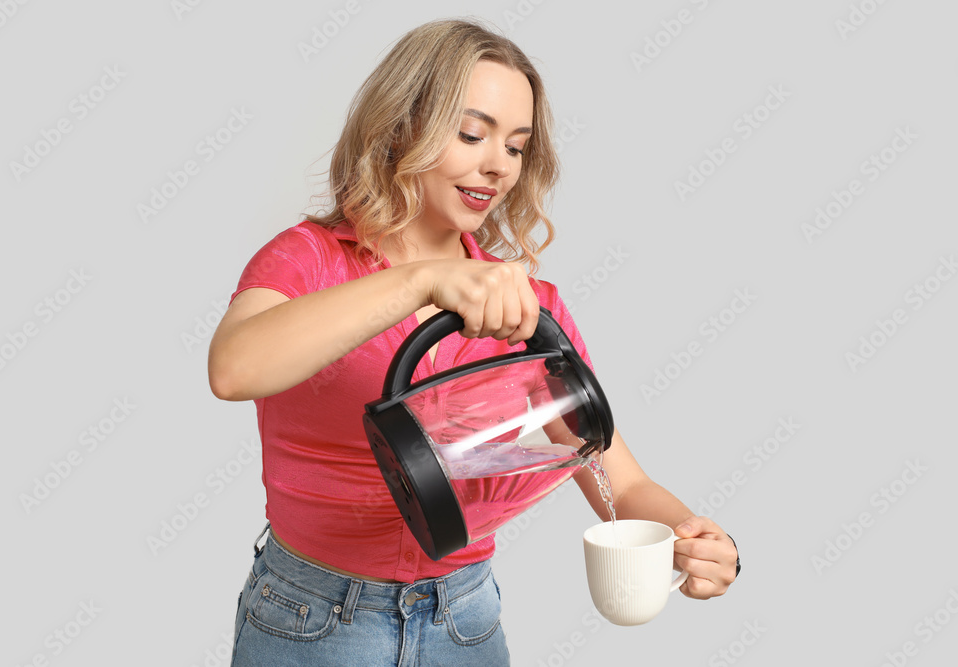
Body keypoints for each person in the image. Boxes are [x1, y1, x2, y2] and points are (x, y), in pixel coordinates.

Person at [209, 18, 739, 666]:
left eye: (516, 146)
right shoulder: (308, 260)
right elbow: (235, 368)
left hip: (464, 622)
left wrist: (687, 535)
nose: (498, 165)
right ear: (402, 125)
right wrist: (423, 279)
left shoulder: (526, 310)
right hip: (313, 619)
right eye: (471, 133)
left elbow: (619, 482)